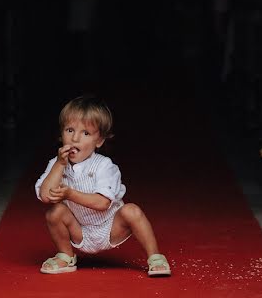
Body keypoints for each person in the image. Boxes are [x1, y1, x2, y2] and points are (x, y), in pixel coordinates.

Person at [34, 95, 171, 277]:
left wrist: (69, 194)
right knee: (54, 212)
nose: (75, 138)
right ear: (61, 135)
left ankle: (155, 256)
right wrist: (59, 165)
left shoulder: (105, 165)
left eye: (86, 133)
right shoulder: (56, 164)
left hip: (110, 227)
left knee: (132, 211)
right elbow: (45, 196)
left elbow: (102, 203)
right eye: (69, 130)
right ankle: (66, 255)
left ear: (99, 141)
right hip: (79, 230)